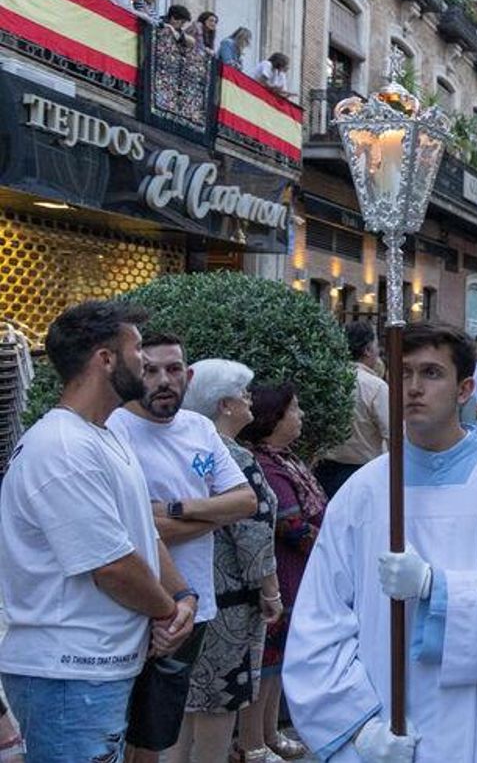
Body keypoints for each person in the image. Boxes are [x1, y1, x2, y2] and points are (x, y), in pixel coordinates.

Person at [284, 322, 477, 761]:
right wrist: (358, 729)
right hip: (384, 718)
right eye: (404, 373)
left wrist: (436, 587)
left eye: (431, 373)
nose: (413, 388)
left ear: (465, 389)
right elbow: (320, 619)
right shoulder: (364, 492)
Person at [0, 301, 196, 763]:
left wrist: (184, 596)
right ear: (105, 359)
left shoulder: (106, 434)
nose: (145, 363)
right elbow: (111, 566)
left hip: (95, 672)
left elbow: (141, 534)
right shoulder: (62, 447)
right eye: (137, 350)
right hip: (67, 675)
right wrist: (169, 612)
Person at [108, 333, 258, 763]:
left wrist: (175, 509)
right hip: (135, 606)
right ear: (135, 373)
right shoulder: (115, 430)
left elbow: (245, 501)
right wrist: (213, 514)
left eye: (173, 370)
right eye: (151, 370)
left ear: (188, 376)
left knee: (157, 733)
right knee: (121, 733)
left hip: (196, 608)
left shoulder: (199, 428)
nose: (163, 380)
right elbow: (129, 532)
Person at [170, 359, 282, 763]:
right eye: (244, 393)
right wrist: (270, 590)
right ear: (225, 404)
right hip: (230, 598)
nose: (250, 399)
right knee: (220, 700)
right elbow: (252, 532)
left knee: (184, 697)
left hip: (182, 590)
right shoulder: (234, 458)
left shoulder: (181, 450)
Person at [241, 384, 323, 761]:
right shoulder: (267, 467)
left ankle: (270, 733)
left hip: (296, 573)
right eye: (294, 409)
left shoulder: (286, 460)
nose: (301, 415)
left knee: (278, 661)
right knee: (266, 663)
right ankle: (252, 743)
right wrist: (332, 544)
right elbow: (290, 526)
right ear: (273, 418)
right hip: (280, 575)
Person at [316, 320, 390, 501]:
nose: (379, 350)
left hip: (324, 471)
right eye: (376, 344)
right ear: (367, 350)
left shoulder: (326, 379)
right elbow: (393, 435)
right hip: (363, 471)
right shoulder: (375, 387)